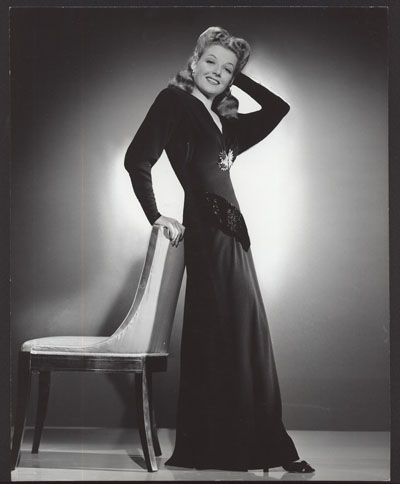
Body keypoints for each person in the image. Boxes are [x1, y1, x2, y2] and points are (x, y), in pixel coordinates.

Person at [124, 26, 315, 474]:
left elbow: (279, 108)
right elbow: (137, 158)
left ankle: (262, 446)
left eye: (226, 69)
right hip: (208, 236)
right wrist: (155, 214)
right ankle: (221, 448)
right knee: (221, 336)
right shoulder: (174, 103)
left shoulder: (227, 125)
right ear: (193, 61)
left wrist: (236, 76)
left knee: (247, 338)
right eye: (210, 61)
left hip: (236, 240)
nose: (217, 72)